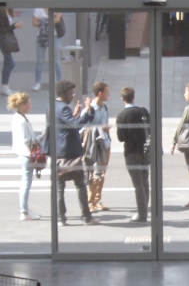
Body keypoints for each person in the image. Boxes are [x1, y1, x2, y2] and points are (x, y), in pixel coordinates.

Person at [52, 80, 96, 226]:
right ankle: (86, 217)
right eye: (70, 94)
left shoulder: (51, 107)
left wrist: (75, 114)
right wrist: (88, 111)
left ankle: (61, 218)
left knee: (59, 188)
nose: (72, 96)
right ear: (63, 94)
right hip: (70, 153)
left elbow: (64, 127)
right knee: (80, 185)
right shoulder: (63, 108)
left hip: (58, 152)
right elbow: (75, 126)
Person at [116, 86, 151, 223]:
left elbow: (121, 137)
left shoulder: (121, 116)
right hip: (145, 150)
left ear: (122, 99)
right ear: (133, 97)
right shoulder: (143, 111)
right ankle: (144, 211)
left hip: (131, 152)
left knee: (138, 185)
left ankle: (142, 214)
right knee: (145, 181)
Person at [9, 92, 42, 221]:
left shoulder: (18, 117)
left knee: (25, 181)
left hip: (21, 152)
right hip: (25, 153)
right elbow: (26, 140)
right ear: (22, 105)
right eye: (29, 103)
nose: (30, 105)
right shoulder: (21, 120)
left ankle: (25, 209)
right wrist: (41, 137)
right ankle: (24, 211)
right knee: (26, 182)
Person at [84, 81, 112, 213]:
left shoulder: (104, 107)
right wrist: (101, 128)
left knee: (101, 174)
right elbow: (82, 128)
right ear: (100, 93)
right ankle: (90, 202)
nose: (109, 95)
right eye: (107, 92)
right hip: (93, 146)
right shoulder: (90, 109)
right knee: (93, 174)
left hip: (105, 144)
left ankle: (97, 200)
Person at [0, 7, 22, 96]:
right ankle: (4, 86)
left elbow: (7, 28)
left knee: (7, 63)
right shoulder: (0, 13)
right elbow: (1, 30)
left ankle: (5, 86)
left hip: (7, 41)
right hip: (2, 41)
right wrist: (14, 26)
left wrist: (13, 26)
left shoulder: (9, 11)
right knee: (10, 63)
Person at [31, 8, 63, 93]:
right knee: (40, 61)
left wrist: (42, 21)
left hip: (55, 36)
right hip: (41, 36)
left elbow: (57, 19)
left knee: (57, 61)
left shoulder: (56, 6)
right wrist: (49, 21)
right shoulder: (38, 9)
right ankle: (37, 82)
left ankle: (60, 81)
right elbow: (34, 23)